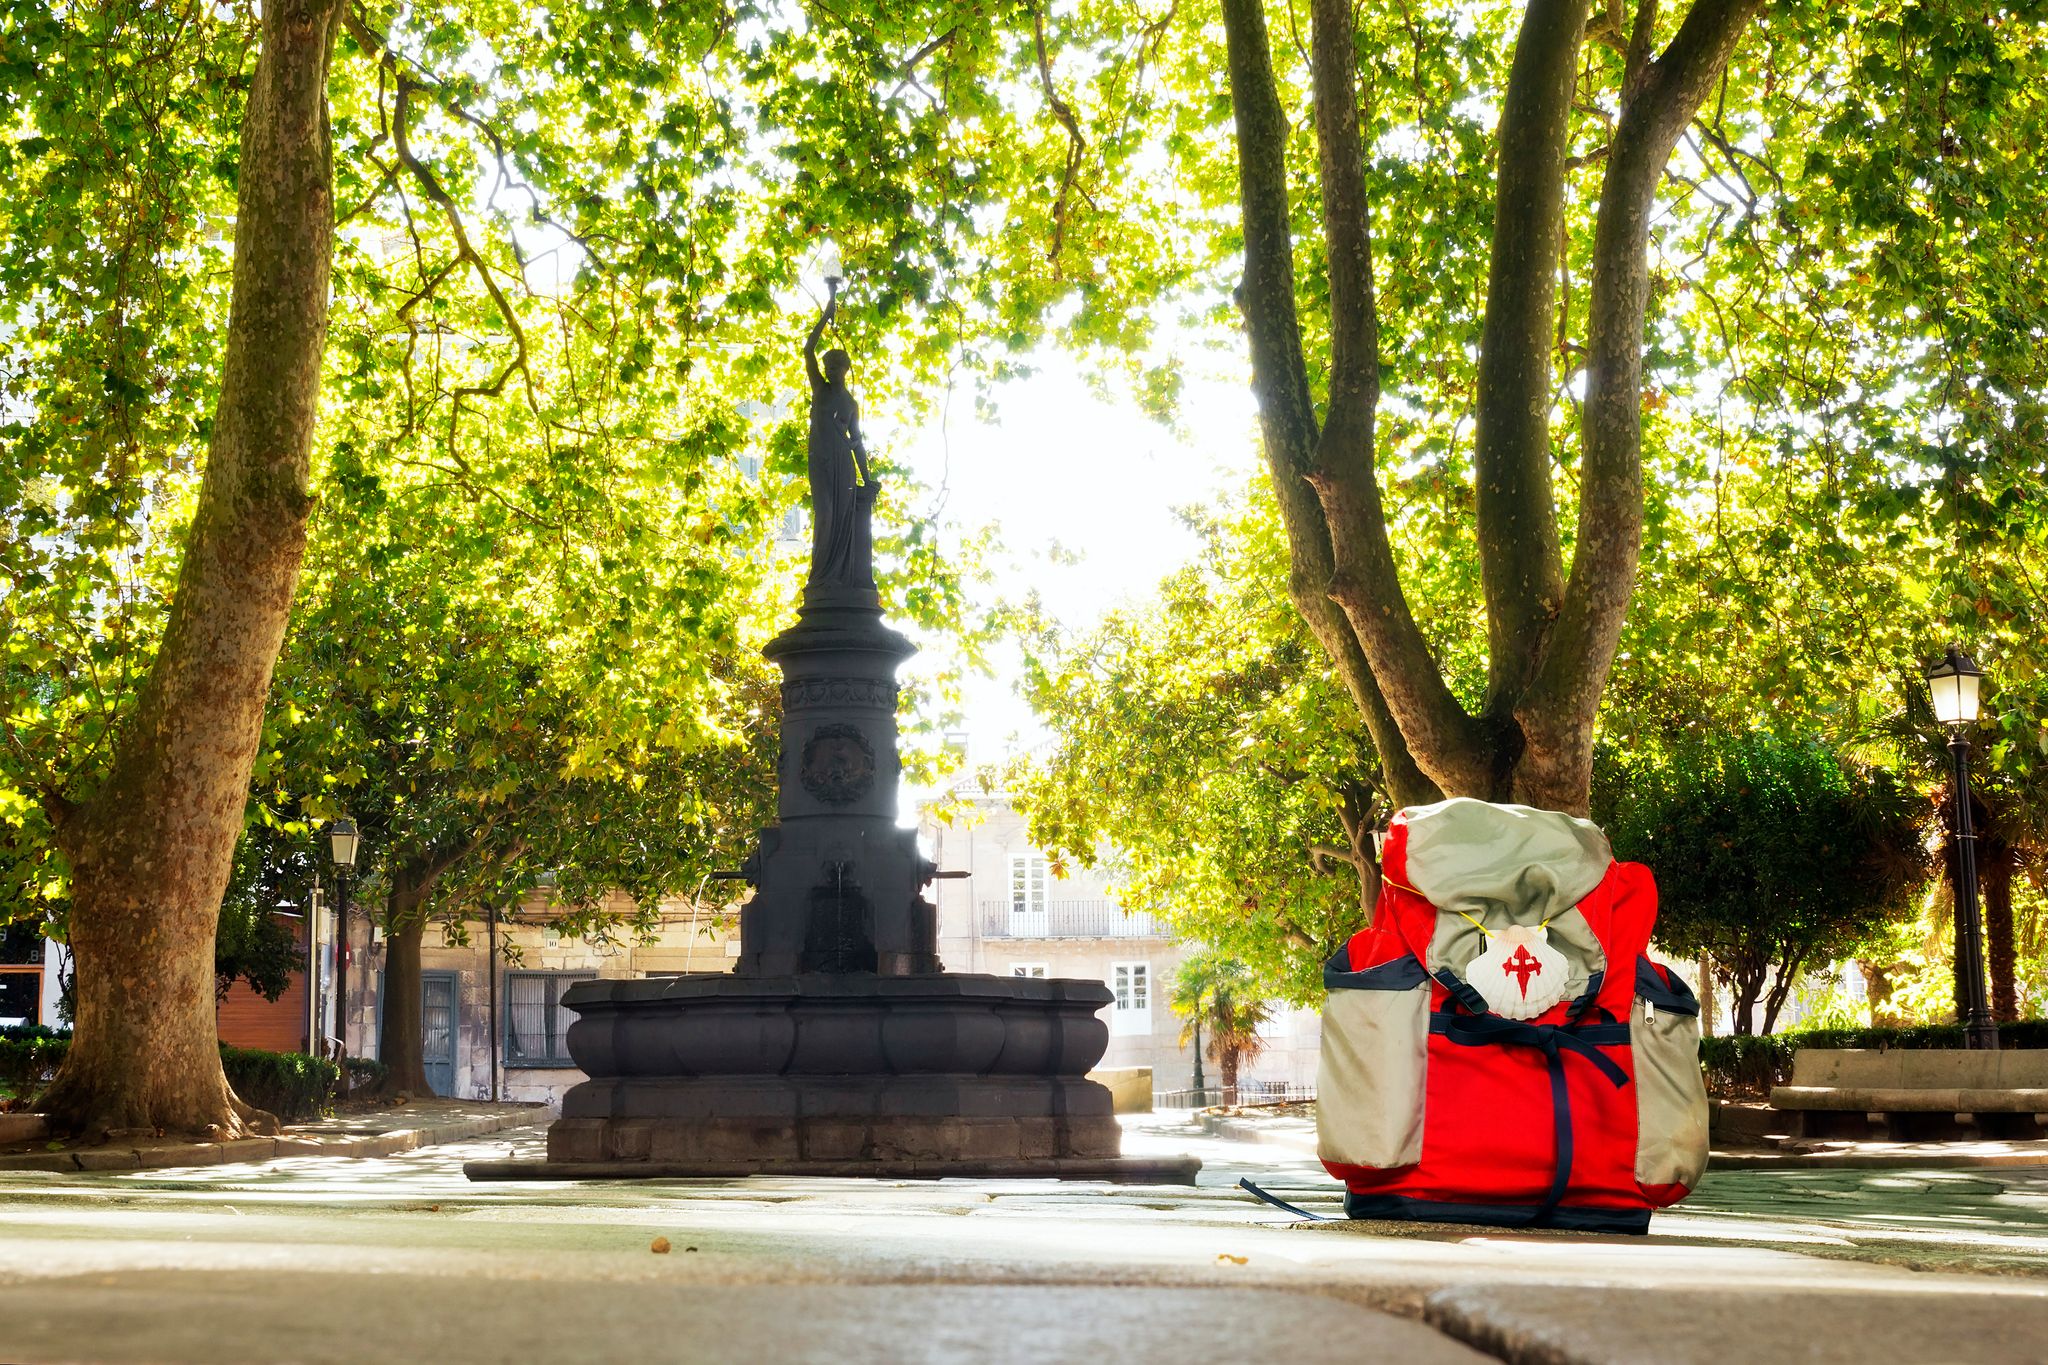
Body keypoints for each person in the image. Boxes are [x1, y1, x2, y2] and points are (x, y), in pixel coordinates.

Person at [803, 289, 873, 586]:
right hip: (821, 461)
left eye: (836, 367)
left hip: (843, 465)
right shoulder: (819, 389)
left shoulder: (850, 404)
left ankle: (838, 580)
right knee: (826, 515)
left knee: (842, 522)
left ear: (846, 370)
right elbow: (808, 350)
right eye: (828, 366)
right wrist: (825, 314)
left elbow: (857, 443)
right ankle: (819, 579)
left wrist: (867, 478)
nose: (831, 371)